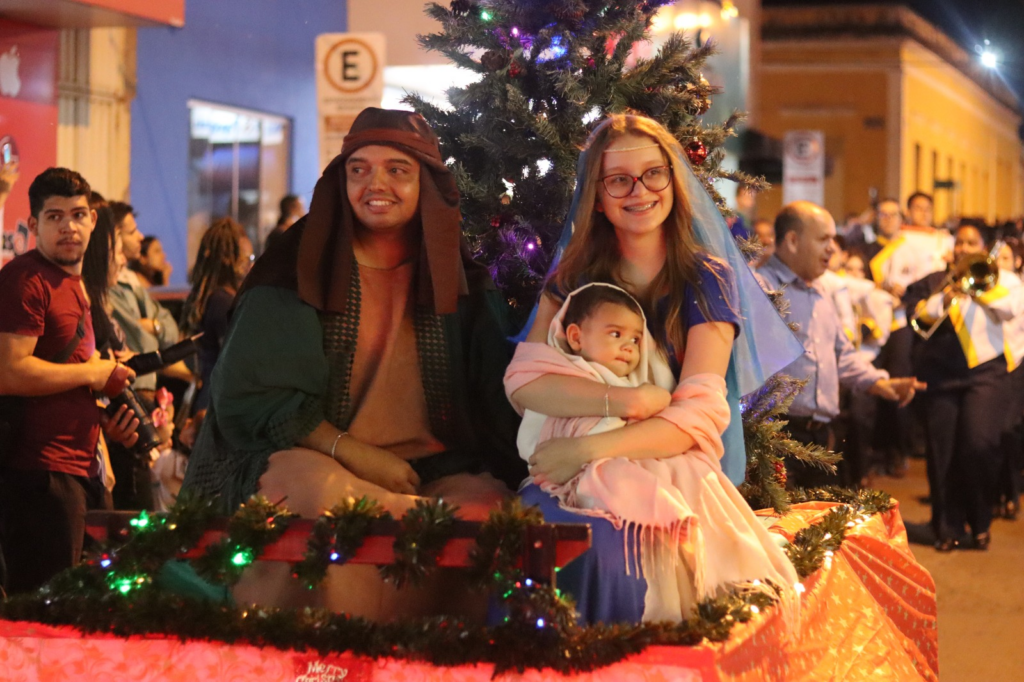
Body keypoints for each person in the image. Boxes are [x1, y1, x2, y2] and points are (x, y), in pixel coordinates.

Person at [180, 108, 525, 620]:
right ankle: (314, 660)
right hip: (314, 453)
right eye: (358, 169)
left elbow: (502, 399)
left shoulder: (464, 282)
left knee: (487, 512)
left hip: (431, 469)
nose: (374, 183)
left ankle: (436, 665)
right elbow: (253, 399)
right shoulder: (292, 270)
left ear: (425, 183)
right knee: (326, 501)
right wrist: (354, 452)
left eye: (396, 170)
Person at [508, 114, 805, 625]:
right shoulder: (573, 276)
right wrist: (621, 402)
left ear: (673, 179)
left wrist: (586, 449)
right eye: (619, 179)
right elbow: (524, 381)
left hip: (667, 467)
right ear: (597, 195)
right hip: (566, 467)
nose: (638, 191)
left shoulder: (706, 278)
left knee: (622, 552)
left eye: (653, 173)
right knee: (541, 537)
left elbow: (700, 414)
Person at [507, 281, 796, 623]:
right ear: (575, 336)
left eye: (634, 339)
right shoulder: (568, 367)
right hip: (568, 475)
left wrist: (636, 410)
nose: (628, 347)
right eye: (615, 334)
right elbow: (528, 389)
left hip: (622, 459)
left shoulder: (704, 291)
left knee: (687, 477)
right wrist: (619, 408)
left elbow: (686, 413)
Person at [0, 168, 138, 594]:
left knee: (79, 610)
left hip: (79, 468)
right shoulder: (26, 279)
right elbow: (9, 371)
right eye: (55, 216)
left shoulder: (73, 283)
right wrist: (92, 372)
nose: (68, 227)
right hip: (39, 473)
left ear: (93, 221)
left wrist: (103, 410)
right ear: (33, 225)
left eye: (78, 215)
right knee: (45, 614)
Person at [757, 202, 924, 488]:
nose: (833, 249)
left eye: (833, 239)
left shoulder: (819, 290)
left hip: (821, 436)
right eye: (823, 239)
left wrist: (879, 382)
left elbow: (841, 354)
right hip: (777, 437)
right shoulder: (761, 287)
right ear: (793, 241)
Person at [905, 220, 1015, 551]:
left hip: (986, 374)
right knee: (942, 453)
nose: (963, 248)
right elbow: (919, 322)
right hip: (941, 375)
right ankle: (946, 527)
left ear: (982, 248)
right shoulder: (933, 282)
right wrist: (948, 293)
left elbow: (1012, 310)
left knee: (979, 445)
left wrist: (978, 291)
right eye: (959, 242)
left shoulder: (1002, 280)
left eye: (970, 243)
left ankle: (980, 518)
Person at [107, 202, 190, 395]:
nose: (140, 236)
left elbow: (169, 328)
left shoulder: (130, 280)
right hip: (132, 388)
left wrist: (155, 327)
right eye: (132, 231)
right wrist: (155, 335)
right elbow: (145, 344)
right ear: (115, 237)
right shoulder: (108, 286)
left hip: (146, 386)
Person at [178, 217, 253, 412]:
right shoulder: (222, 302)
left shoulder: (211, 296)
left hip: (207, 400)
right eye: (247, 259)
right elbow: (237, 364)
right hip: (214, 405)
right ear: (228, 259)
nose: (250, 266)